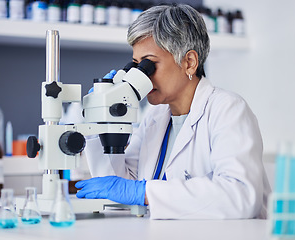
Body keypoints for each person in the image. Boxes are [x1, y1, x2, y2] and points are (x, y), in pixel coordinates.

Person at [75, 4, 271, 219]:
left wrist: (145, 192)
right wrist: (101, 121)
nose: (142, 77)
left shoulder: (228, 109)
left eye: (149, 65)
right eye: (136, 65)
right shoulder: (154, 118)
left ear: (189, 62)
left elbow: (239, 196)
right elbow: (121, 186)